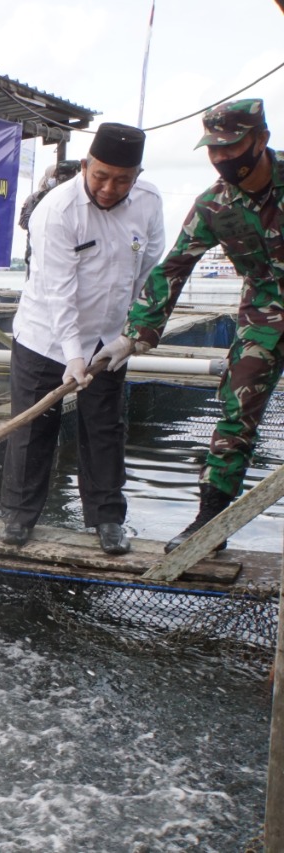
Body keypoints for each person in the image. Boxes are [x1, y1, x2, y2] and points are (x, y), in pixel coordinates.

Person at [98, 99, 281, 554]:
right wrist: (136, 333)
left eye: (232, 147)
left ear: (260, 140)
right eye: (214, 150)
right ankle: (210, 522)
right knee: (235, 414)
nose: (222, 158)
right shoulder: (214, 204)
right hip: (265, 315)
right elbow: (173, 267)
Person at [0, 123, 165, 555]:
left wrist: (130, 334)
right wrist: (73, 357)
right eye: (101, 176)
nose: (110, 188)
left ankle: (108, 517)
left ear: (137, 174)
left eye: (122, 179)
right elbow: (58, 292)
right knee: (35, 427)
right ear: (86, 166)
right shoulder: (56, 210)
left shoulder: (148, 203)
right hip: (45, 336)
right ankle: (18, 515)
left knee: (105, 426)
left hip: (108, 338)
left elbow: (149, 269)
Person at [19, 159, 82, 277]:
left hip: (65, 253)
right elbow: (23, 222)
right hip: (37, 250)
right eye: (55, 176)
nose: (58, 179)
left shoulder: (72, 196)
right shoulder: (35, 198)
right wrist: (44, 218)